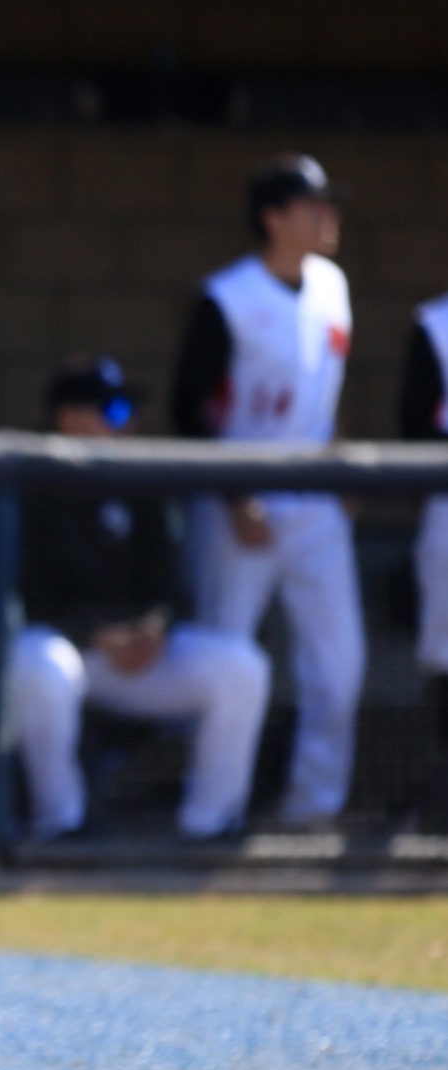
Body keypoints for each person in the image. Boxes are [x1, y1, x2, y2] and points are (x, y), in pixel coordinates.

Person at [0, 357, 268, 841]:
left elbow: (169, 586)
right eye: (115, 411)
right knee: (46, 666)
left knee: (241, 666)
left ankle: (210, 822)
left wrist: (155, 628)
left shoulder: (140, 480)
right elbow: (20, 595)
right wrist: (96, 634)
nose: (128, 424)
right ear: (70, 418)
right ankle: (61, 819)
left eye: (127, 412)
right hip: (65, 650)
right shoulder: (29, 485)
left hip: (135, 658)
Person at [170, 154, 361, 830]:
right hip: (239, 500)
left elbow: (326, 394)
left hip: (313, 497)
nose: (327, 216)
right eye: (312, 205)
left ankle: (315, 807)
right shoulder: (227, 297)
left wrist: (338, 465)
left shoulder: (333, 286)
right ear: (272, 217)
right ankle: (211, 812)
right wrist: (234, 496)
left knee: (340, 664)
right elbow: (187, 410)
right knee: (227, 659)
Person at [395, 293, 448, 830]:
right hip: (447, 506)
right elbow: (413, 424)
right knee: (445, 655)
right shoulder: (436, 324)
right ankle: (439, 803)